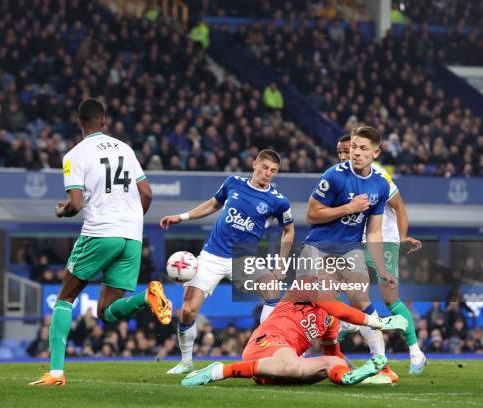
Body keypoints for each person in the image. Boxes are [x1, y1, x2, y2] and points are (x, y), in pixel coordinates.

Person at [30, 99, 171, 386]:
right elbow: (147, 193)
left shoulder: (74, 155)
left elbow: (75, 204)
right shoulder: (126, 149)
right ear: (104, 121)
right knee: (106, 312)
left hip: (100, 232)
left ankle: (56, 372)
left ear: (79, 122)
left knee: (65, 298)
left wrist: (61, 211)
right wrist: (130, 220)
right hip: (131, 236)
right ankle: (147, 297)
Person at [160, 149, 295, 374]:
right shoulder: (233, 183)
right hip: (212, 255)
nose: (267, 174)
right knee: (187, 311)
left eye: (273, 171)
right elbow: (212, 204)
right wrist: (181, 217)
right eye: (264, 168)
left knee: (273, 292)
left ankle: (266, 352)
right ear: (254, 165)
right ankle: (186, 362)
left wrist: (281, 264)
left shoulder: (278, 201)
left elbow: (288, 231)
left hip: (243, 259)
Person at [180, 277, 408, 387]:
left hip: (284, 359)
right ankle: (219, 371)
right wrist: (377, 322)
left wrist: (349, 367)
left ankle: (349, 379)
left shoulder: (330, 320)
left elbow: (333, 353)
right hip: (267, 343)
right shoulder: (308, 285)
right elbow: (340, 310)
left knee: (329, 365)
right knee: (292, 366)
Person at [302, 126, 397, 379]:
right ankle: (298, 358)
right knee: (316, 305)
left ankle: (382, 364)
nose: (356, 153)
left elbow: (374, 232)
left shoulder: (380, 184)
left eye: (363, 149)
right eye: (354, 147)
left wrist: (382, 267)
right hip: (318, 248)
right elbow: (311, 215)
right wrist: (348, 208)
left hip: (350, 249)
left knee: (362, 300)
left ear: (375, 152)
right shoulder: (334, 176)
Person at [336, 134, 427, 378]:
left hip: (384, 240)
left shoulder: (378, 175)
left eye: (350, 150)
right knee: (352, 288)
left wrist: (403, 235)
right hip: (357, 240)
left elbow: (399, 207)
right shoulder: (341, 174)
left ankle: (415, 351)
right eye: (343, 152)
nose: (346, 156)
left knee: (390, 299)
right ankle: (349, 323)